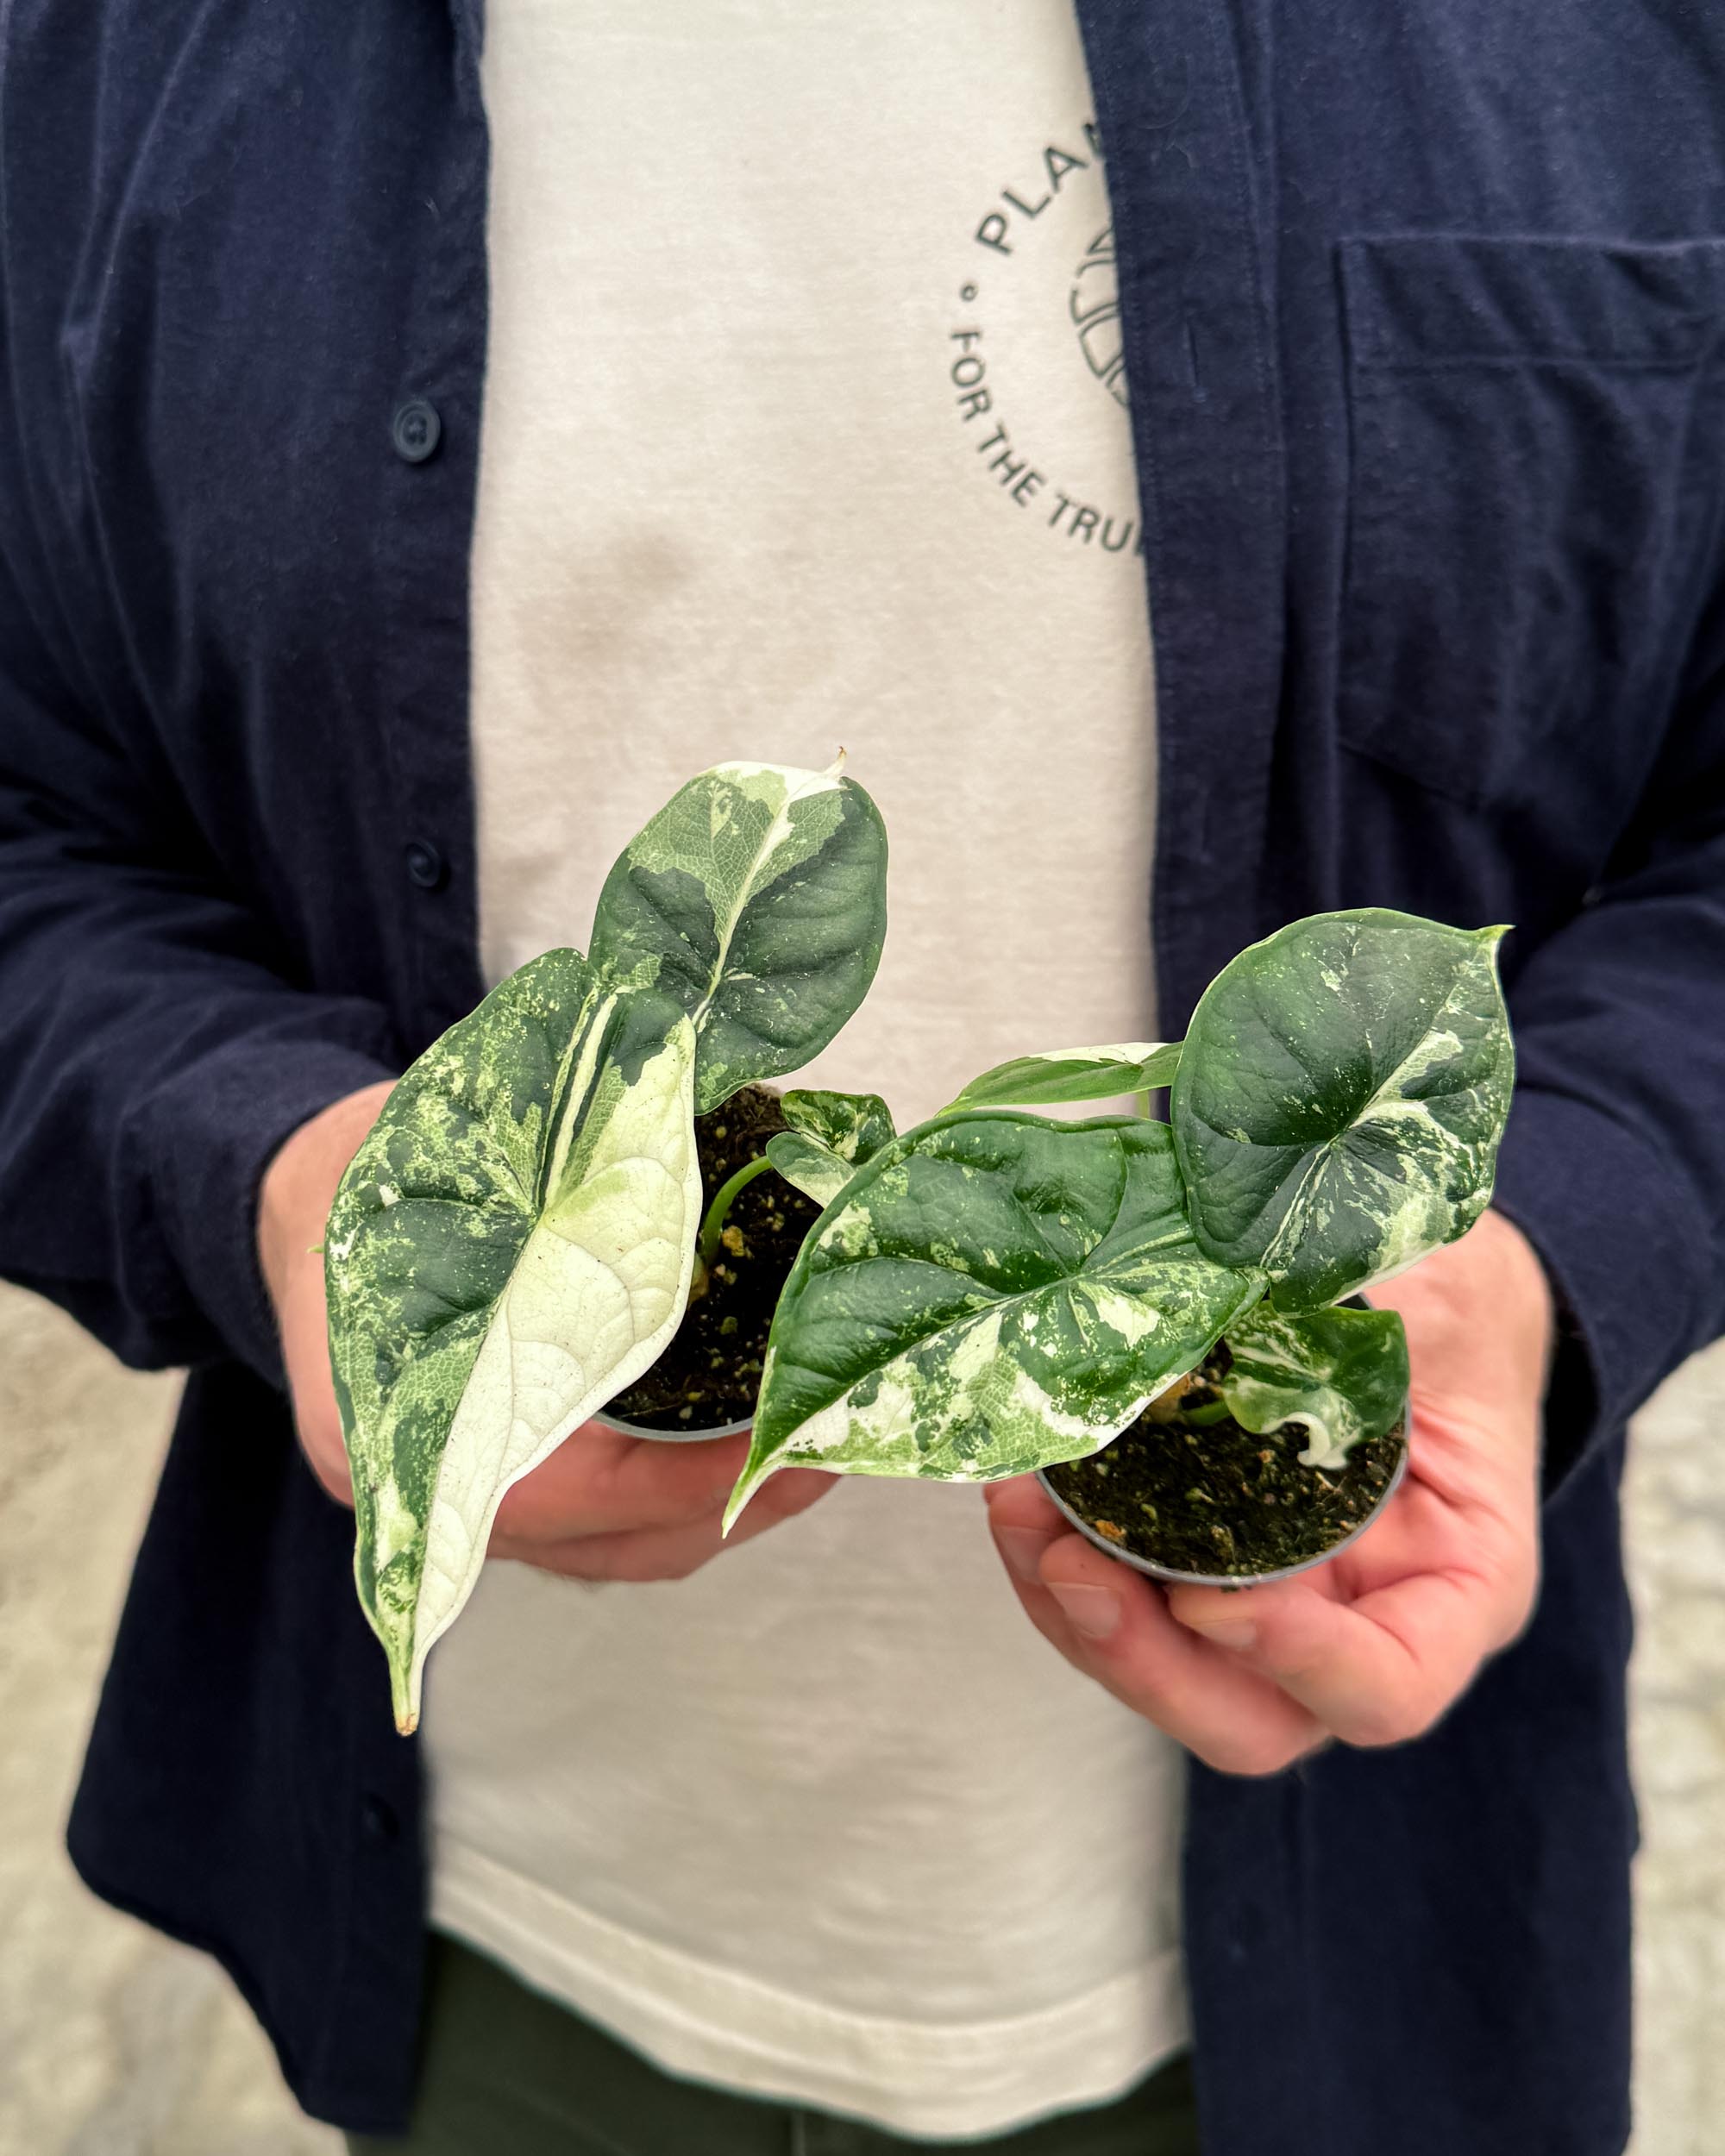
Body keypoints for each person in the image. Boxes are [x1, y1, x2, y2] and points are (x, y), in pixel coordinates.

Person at [2, 3, 1722, 2152]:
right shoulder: (120, 57)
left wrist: (1564, 1227)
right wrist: (265, 1175)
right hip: (495, 1938)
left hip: (1339, 1974)